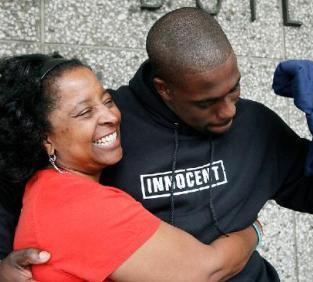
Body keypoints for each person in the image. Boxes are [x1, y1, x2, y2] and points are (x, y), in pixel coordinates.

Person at [0, 7, 313, 281]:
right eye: (206, 102)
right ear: (165, 89)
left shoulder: (256, 124)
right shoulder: (101, 139)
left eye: (233, 89)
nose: (227, 111)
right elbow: (25, 199)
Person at [0, 53, 261, 281]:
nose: (110, 116)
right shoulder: (79, 205)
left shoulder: (45, 187)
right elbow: (206, 272)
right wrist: (254, 230)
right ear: (45, 138)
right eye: (85, 113)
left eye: (107, 100)